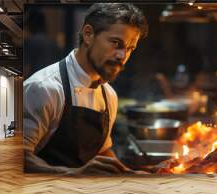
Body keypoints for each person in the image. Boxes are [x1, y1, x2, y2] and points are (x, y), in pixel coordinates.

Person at [23, 3, 149, 175]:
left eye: (129, 49)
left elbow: (103, 152)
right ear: (88, 34)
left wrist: (130, 174)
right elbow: (19, 157)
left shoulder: (109, 95)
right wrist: (72, 175)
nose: (122, 55)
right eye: (115, 43)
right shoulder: (43, 88)